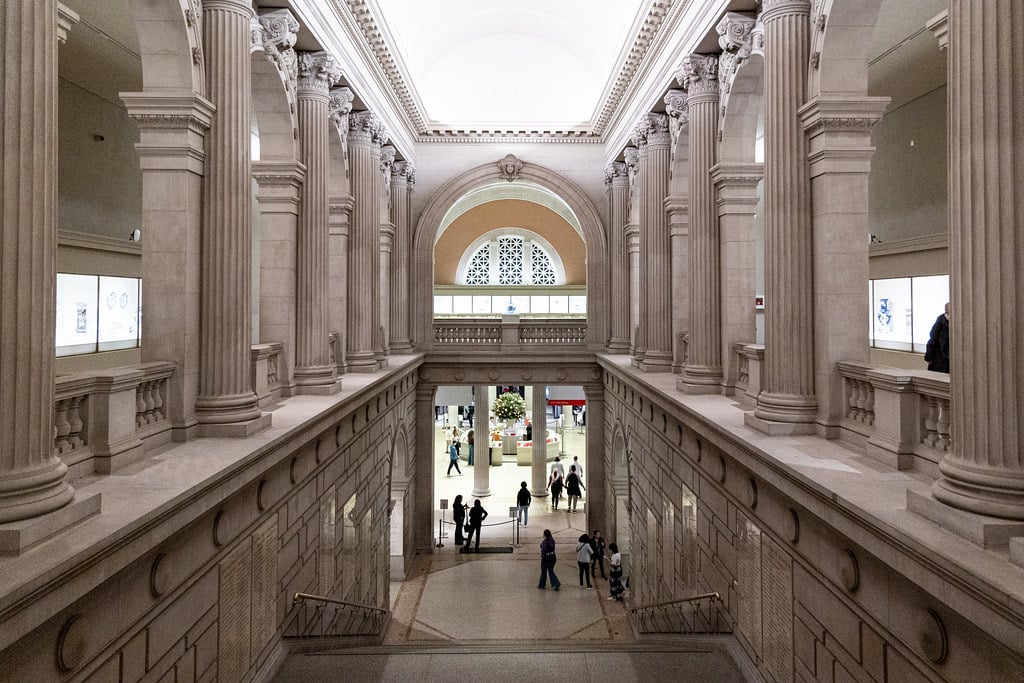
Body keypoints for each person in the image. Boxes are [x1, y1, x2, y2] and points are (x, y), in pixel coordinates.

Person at [924, 302, 950, 373]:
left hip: (941, 359)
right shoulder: (941, 322)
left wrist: (929, 357)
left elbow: (933, 339)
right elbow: (933, 340)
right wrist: (929, 356)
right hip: (941, 358)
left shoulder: (941, 321)